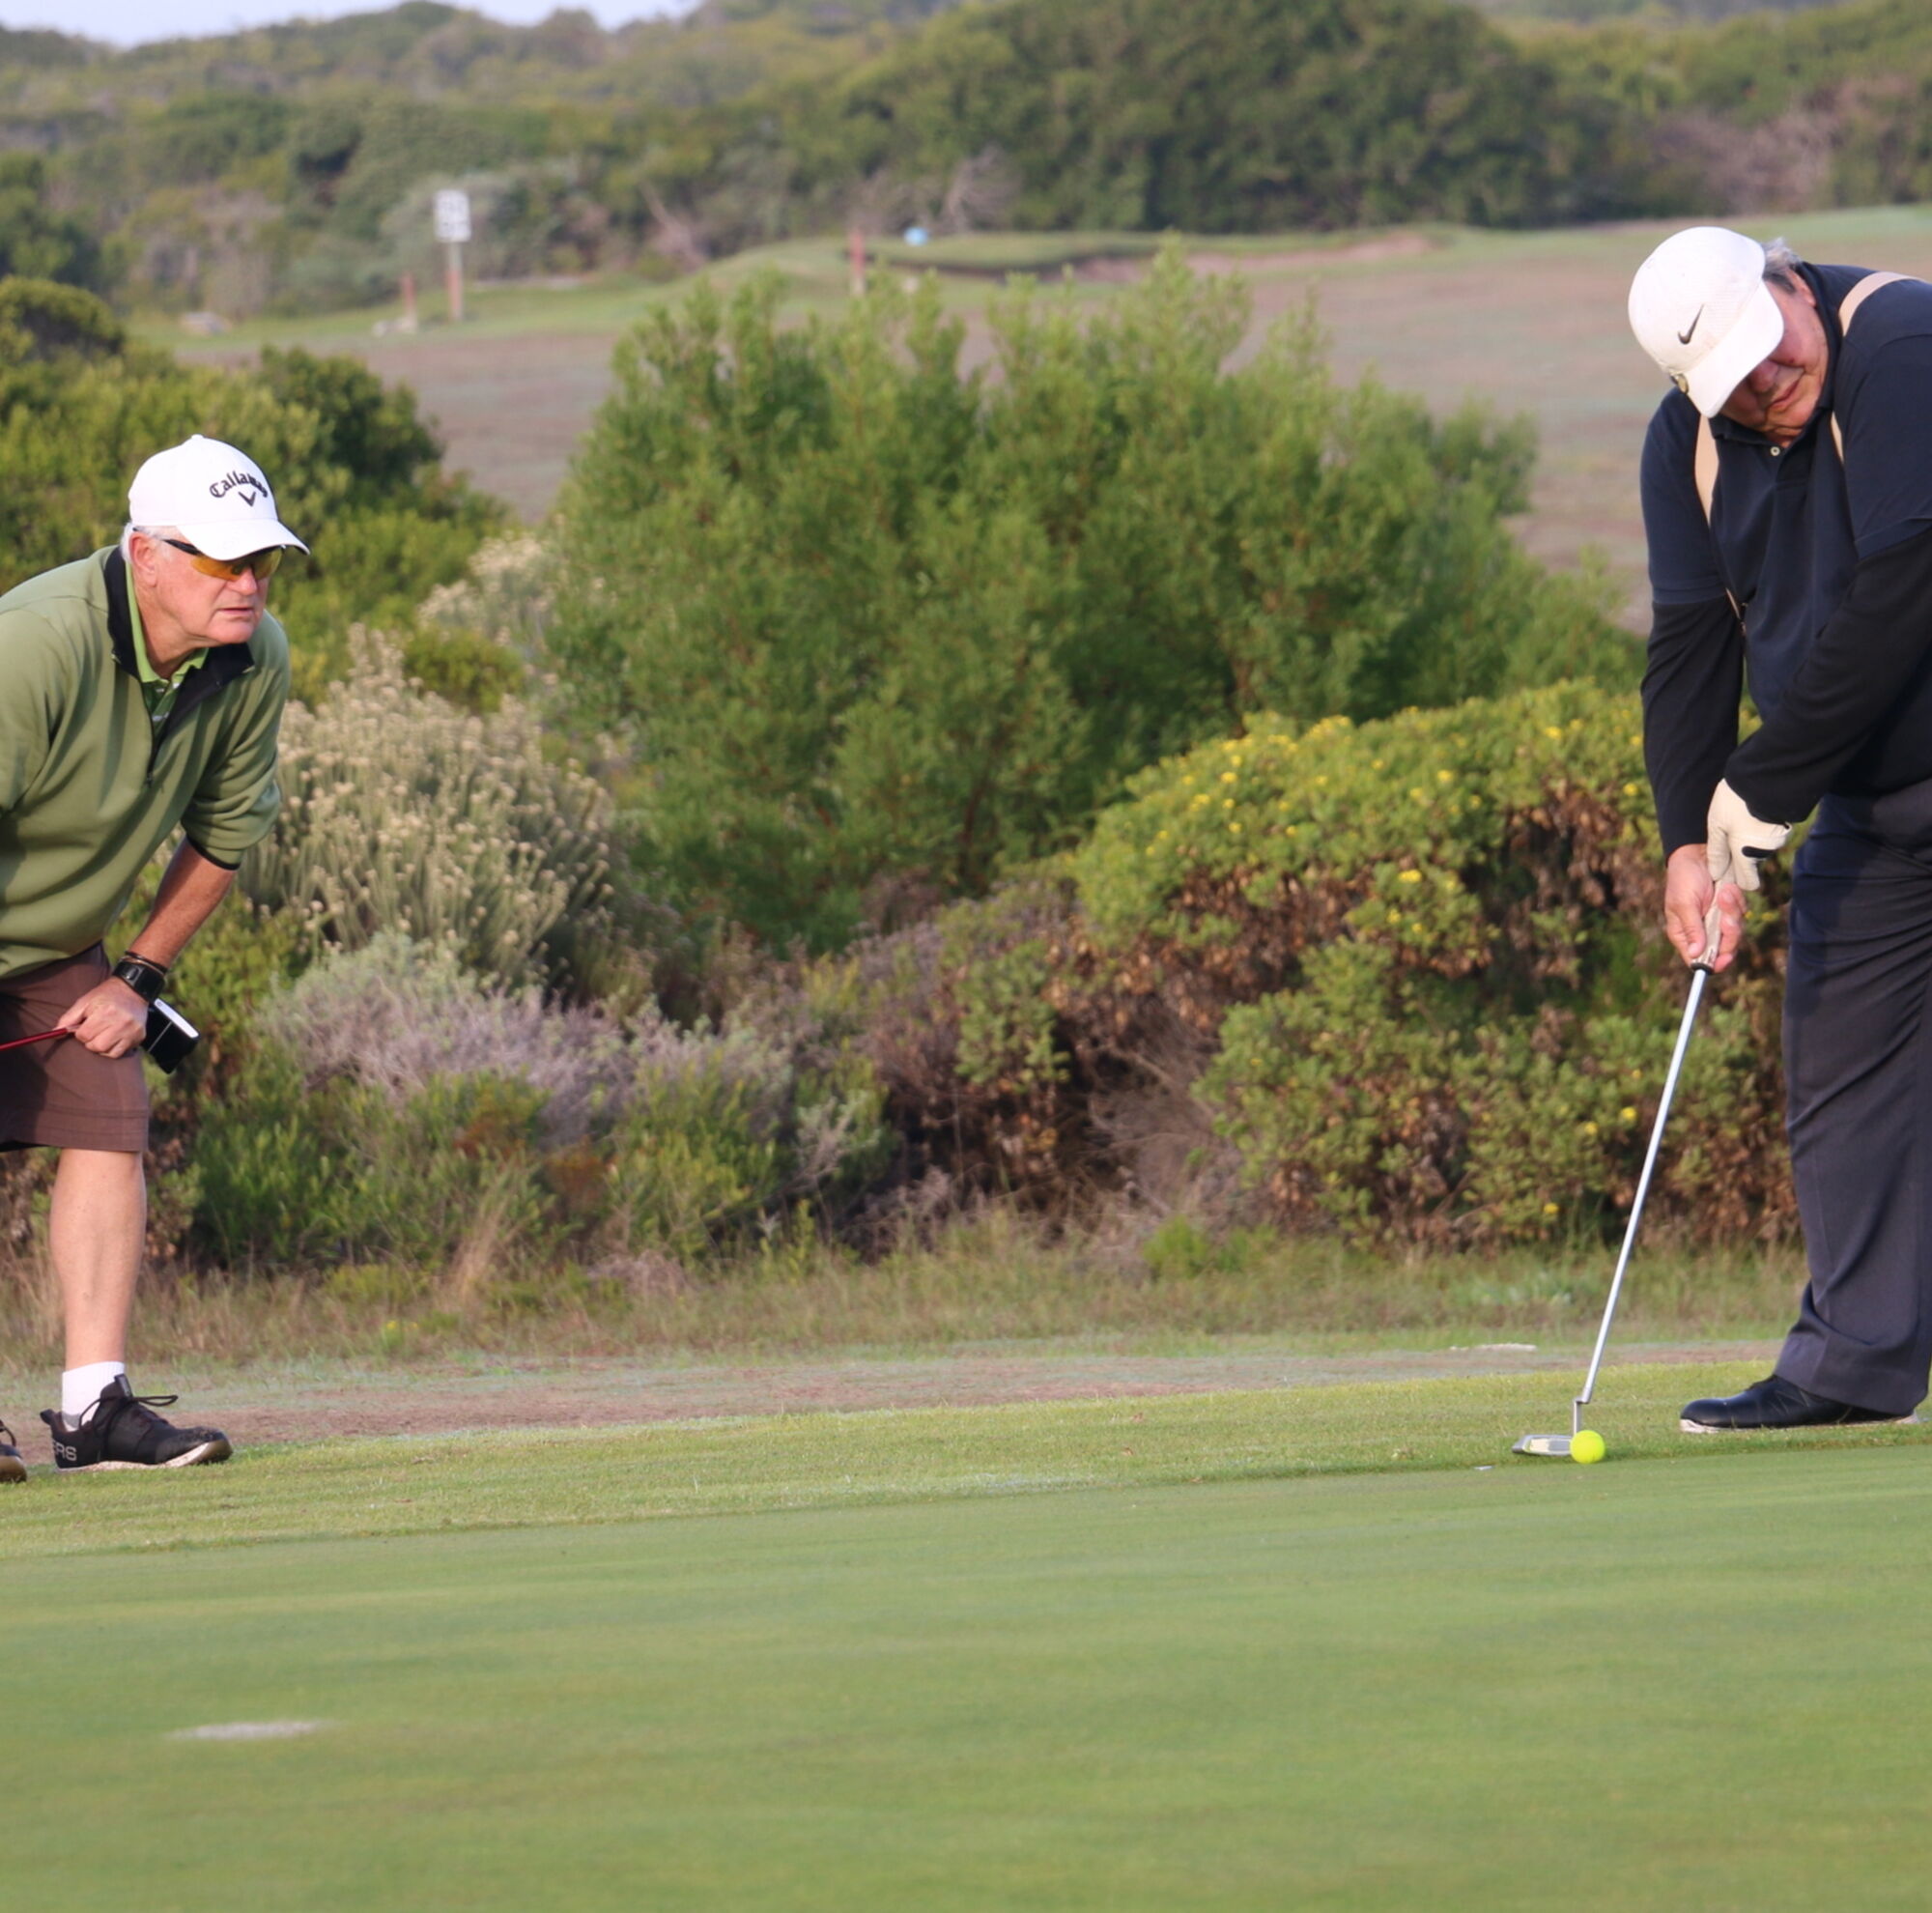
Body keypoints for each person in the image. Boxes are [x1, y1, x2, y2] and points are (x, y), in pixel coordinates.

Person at [1629, 225, 1932, 1432]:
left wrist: (1762, 785)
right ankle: (1849, 1365)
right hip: (1874, 805)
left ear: (1787, 282)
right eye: (1732, 381)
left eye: (1769, 347)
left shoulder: (1897, 342)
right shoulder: (1687, 445)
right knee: (1839, 1069)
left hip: (1845, 770)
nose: (1766, 382)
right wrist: (1686, 842)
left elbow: (1906, 581)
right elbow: (1688, 644)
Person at [0, 435, 301, 1480]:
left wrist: (136, 979)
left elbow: (225, 833)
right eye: (222, 559)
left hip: (54, 935)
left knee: (107, 1114)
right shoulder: (36, 642)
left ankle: (95, 1412)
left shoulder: (254, 657)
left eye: (261, 558)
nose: (247, 582)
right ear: (145, 556)